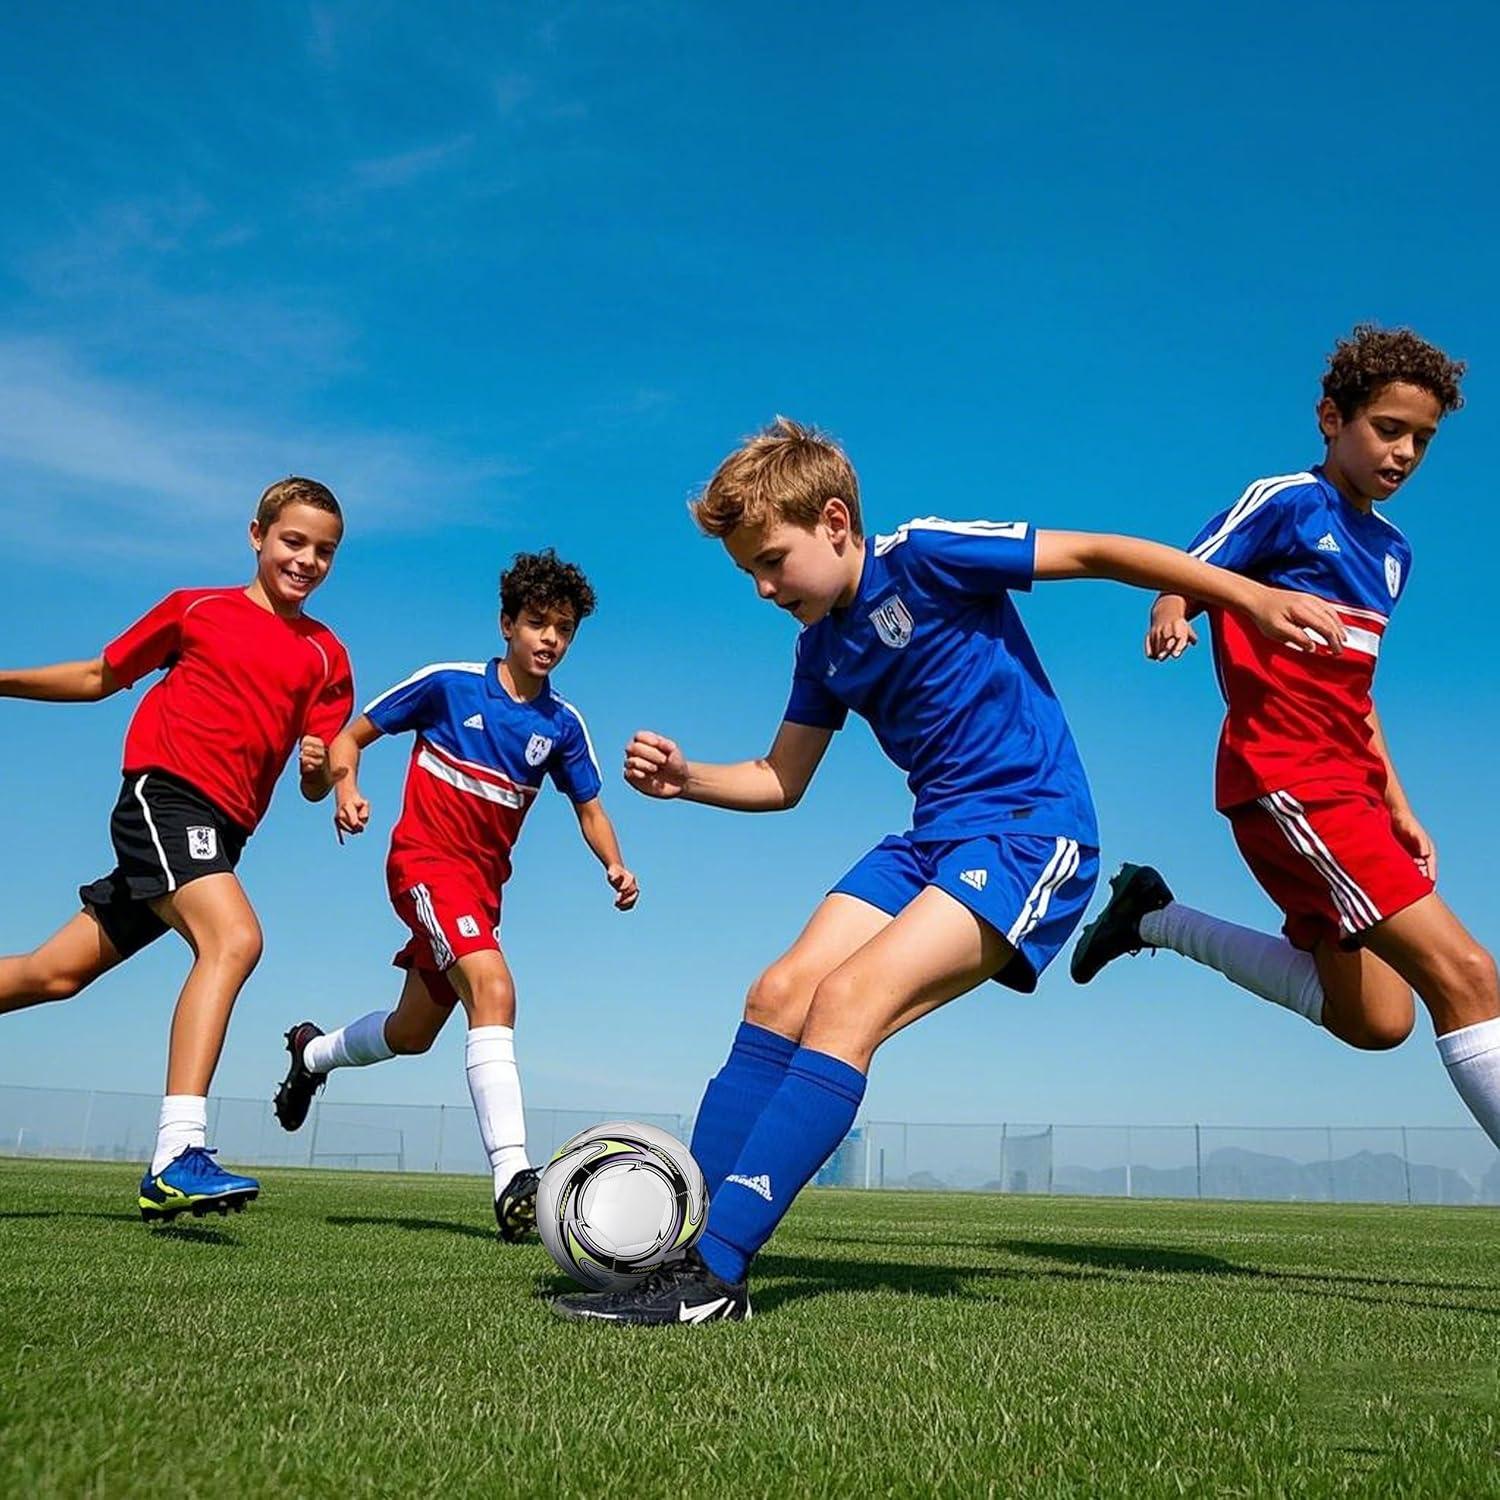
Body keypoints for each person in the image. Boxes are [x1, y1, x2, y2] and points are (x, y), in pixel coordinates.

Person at [551, 417, 1346, 1324]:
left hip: (1028, 834)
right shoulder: (821, 648)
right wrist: (689, 778)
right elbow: (782, 778)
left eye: (772, 561)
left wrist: (1240, 595)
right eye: (749, 574)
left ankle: (714, 1278)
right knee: (777, 993)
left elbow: (1090, 550)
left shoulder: (926, 556)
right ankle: (680, 1242)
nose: (765, 587)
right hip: (931, 838)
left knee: (849, 1002)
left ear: (837, 521)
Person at [1072, 325, 1500, 1153]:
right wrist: (1172, 609)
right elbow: (1191, 568)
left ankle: (1153, 917)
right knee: (1471, 977)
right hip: (1290, 781)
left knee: (1376, 1020)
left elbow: (1357, 697)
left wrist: (1399, 805)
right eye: (1388, 429)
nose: (1405, 452)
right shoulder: (1287, 503)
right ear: (1330, 418)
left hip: (1351, 791)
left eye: (1423, 439)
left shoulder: (1394, 555)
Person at [0, 477, 352, 1220]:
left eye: (324, 551)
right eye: (293, 541)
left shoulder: (327, 656)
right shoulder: (197, 608)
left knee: (51, 975)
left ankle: (176, 1156)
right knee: (234, 938)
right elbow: (101, 676)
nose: (306, 560)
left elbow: (314, 778)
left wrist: (323, 775)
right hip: (164, 798)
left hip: (221, 835)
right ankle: (176, 1154)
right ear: (256, 535)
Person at [272, 549, 638, 1240]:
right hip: (424, 866)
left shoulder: (562, 726)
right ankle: (513, 1180)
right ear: (506, 623)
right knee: (495, 991)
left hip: (481, 889)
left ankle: (310, 1054)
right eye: (537, 622)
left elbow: (590, 808)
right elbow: (352, 735)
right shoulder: (448, 685)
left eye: (563, 628)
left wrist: (615, 865)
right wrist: (347, 789)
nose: (550, 638)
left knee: (411, 1034)